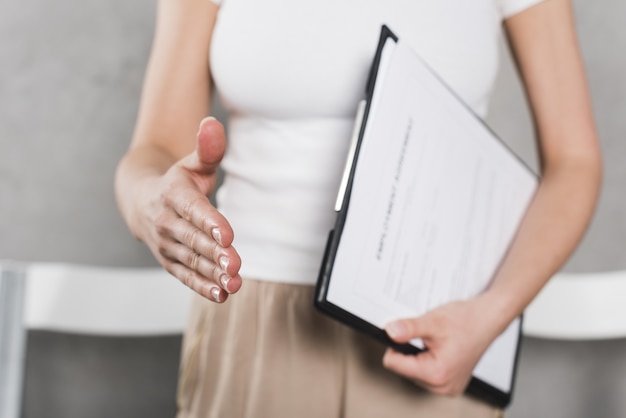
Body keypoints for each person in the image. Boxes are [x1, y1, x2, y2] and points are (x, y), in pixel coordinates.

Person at [115, 0, 602, 416]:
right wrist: (148, 203)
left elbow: (574, 161)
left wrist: (491, 314)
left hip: (439, 327)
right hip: (251, 316)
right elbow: (154, 148)